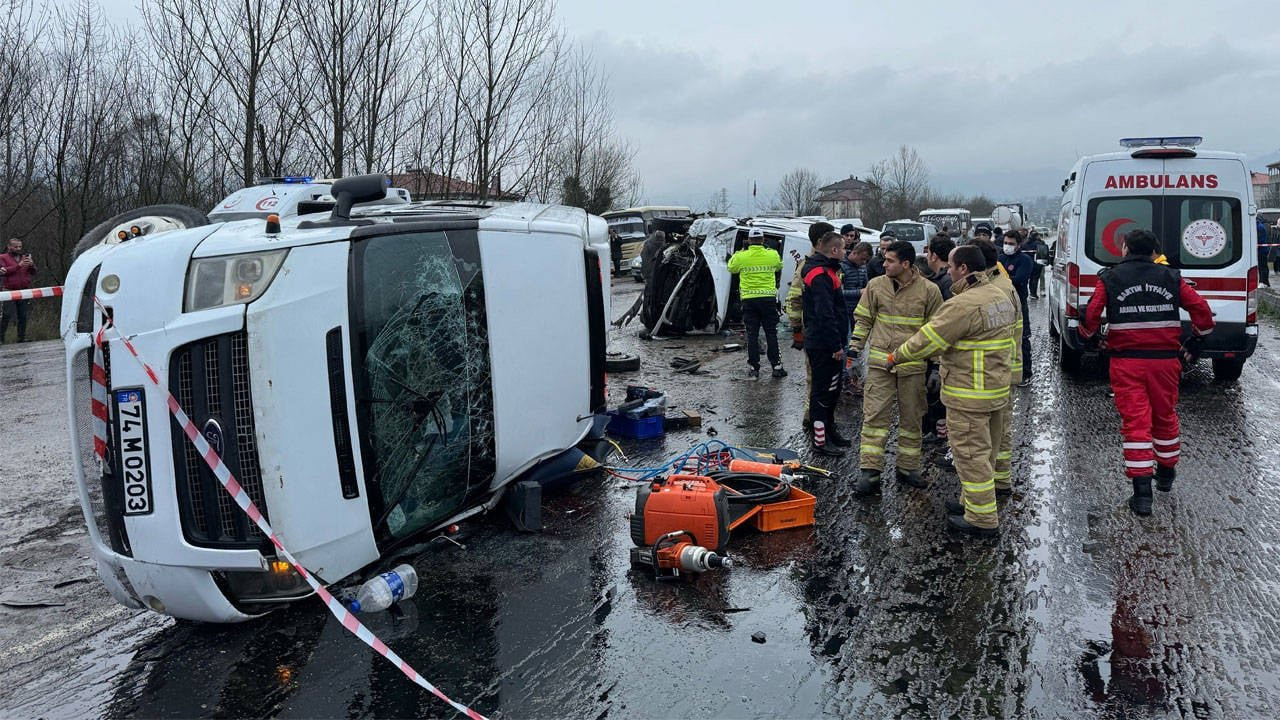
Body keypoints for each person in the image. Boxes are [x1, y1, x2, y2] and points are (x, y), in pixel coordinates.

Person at [1078, 228, 1214, 516]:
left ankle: (1142, 496)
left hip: (1127, 363)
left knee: (1135, 423)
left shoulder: (1110, 278)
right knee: (1164, 416)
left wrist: (1090, 336)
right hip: (1165, 362)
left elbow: (1091, 315)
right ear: (1155, 251)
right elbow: (1202, 310)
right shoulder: (1172, 277)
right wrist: (1196, 339)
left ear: (1124, 248)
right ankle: (1165, 475)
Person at [887, 245, 1018, 535]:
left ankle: (982, 520)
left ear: (963, 269)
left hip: (969, 393)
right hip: (996, 390)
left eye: (950, 267)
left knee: (971, 456)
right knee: (987, 454)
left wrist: (896, 356)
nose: (947, 271)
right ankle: (972, 503)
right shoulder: (1000, 295)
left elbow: (928, 341)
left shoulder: (964, 305)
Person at [849, 240, 944, 493]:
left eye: (889, 260)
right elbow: (863, 320)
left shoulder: (929, 290)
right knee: (874, 418)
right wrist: (854, 351)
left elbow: (936, 332)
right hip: (881, 367)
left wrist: (936, 367)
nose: (884, 264)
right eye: (884, 259)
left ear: (906, 264)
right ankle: (870, 473)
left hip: (913, 368)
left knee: (912, 420)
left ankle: (907, 467)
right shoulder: (875, 286)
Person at [974, 238, 1023, 493]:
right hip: (1003, 367)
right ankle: (1000, 479)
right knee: (1000, 429)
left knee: (997, 432)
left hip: (996, 369)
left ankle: (998, 481)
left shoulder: (996, 290)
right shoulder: (1002, 284)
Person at [801, 230, 851, 457]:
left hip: (827, 342)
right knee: (822, 393)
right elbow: (825, 314)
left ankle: (830, 431)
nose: (845, 252)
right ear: (834, 250)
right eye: (843, 248)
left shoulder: (827, 270)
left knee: (833, 390)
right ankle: (819, 441)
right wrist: (835, 346)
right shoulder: (820, 274)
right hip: (823, 345)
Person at [787, 222, 836, 430]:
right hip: (815, 332)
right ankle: (811, 417)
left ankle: (824, 417)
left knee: (828, 380)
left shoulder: (829, 266)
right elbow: (794, 299)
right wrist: (797, 329)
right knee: (815, 378)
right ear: (819, 242)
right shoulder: (807, 267)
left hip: (829, 330)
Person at [728, 227, 786, 378]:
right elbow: (779, 266)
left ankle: (754, 368)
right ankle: (777, 366)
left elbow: (731, 268)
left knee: (752, 334)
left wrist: (739, 252)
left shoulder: (741, 256)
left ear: (749, 240)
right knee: (771, 333)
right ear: (763, 239)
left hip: (749, 300)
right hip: (768, 299)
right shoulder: (772, 254)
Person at [999, 230, 1034, 386]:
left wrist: (1002, 280)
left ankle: (1025, 373)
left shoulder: (1025, 260)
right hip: (1001, 303)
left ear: (1019, 245)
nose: (1007, 246)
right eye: (1006, 243)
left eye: (1011, 244)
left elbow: (1019, 279)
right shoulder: (1000, 259)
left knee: (1022, 338)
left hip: (1019, 303)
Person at [840, 238, 873, 394]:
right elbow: (838, 293)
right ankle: (846, 379)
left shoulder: (862, 268)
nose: (863, 262)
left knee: (858, 345)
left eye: (865, 260)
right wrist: (858, 292)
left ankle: (856, 377)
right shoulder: (841, 267)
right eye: (862, 259)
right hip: (844, 312)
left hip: (858, 312)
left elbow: (866, 286)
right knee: (847, 346)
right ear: (854, 253)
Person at [0, 238, 38, 343]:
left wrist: (31, 265)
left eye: (20, 246)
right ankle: (1, 338)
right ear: (9, 247)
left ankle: (21, 338)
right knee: (6, 315)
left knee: (23, 315)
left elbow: (34, 272)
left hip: (24, 290)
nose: (18, 249)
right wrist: (18, 265)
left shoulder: (24, 257)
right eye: (16, 247)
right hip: (9, 290)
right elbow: (5, 271)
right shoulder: (3, 257)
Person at [925, 233, 956, 300]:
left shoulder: (946, 282)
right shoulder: (954, 275)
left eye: (928, 253)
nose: (927, 257)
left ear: (934, 257)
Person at [1022, 230, 1050, 297]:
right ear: (1037, 236)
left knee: (1029, 279)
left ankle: (1029, 292)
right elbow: (1045, 253)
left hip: (1027, 264)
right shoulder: (1040, 243)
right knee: (1035, 278)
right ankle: (1033, 293)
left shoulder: (1025, 243)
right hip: (1037, 264)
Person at [1257, 216, 1271, 287]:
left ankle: (1263, 282)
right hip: (1262, 249)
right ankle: (1264, 282)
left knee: (1262, 266)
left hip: (1262, 250)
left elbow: (1259, 240)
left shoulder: (1259, 227)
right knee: (1262, 266)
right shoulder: (1260, 226)